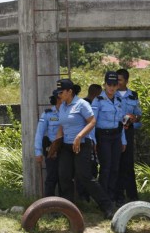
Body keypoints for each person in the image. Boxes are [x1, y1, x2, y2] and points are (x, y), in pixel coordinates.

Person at [48, 79, 114, 219]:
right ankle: (68, 209)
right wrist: (56, 144)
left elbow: (92, 122)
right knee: (64, 177)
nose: (59, 95)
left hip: (82, 144)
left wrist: (79, 136)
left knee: (85, 177)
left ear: (69, 91)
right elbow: (62, 125)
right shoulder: (63, 106)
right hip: (66, 146)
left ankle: (107, 206)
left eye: (61, 92)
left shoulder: (82, 104)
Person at [91, 71, 126, 207]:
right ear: (104, 85)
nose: (111, 87)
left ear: (117, 86)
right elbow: (92, 122)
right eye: (109, 84)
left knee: (115, 168)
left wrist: (124, 140)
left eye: (114, 85)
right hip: (103, 136)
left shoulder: (118, 100)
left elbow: (121, 122)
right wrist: (93, 140)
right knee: (106, 168)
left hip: (116, 136)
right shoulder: (98, 101)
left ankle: (111, 197)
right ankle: (103, 199)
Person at [114, 68, 142, 205]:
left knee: (128, 164)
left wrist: (133, 119)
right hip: (115, 131)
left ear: (126, 80)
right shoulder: (110, 94)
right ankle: (117, 196)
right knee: (116, 164)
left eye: (119, 80)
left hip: (128, 131)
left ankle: (132, 196)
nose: (117, 82)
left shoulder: (133, 95)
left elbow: (139, 115)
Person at [34, 89, 61, 197]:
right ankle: (49, 204)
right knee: (51, 177)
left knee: (66, 178)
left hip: (66, 148)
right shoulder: (48, 114)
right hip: (52, 149)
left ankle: (66, 205)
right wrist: (38, 152)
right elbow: (39, 133)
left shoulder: (70, 113)